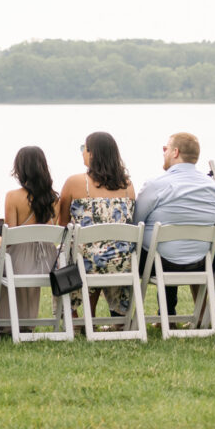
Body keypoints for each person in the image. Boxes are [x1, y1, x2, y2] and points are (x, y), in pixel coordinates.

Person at [133, 132, 215, 320]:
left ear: (175, 152)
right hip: (200, 263)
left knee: (153, 247)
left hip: (157, 264)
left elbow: (136, 223)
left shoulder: (156, 185)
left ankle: (125, 319)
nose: (163, 152)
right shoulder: (214, 188)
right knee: (166, 246)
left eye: (165, 149)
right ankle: (170, 317)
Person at [59, 131, 137, 323]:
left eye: (84, 148)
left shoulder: (74, 182)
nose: (82, 152)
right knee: (102, 251)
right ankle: (117, 319)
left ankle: (74, 317)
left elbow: (62, 225)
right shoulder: (128, 186)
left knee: (71, 252)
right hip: (122, 262)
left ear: (92, 153)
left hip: (87, 262)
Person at [3, 146, 60, 324]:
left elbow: (9, 241)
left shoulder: (13, 197)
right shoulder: (55, 199)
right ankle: (27, 322)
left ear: (20, 170)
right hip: (49, 262)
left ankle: (3, 322)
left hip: (20, 262)